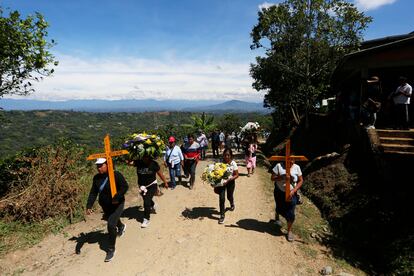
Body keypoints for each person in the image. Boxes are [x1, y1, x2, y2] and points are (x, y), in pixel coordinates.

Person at [86, 158, 129, 262]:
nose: (98, 168)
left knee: (110, 224)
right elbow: (93, 192)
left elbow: (124, 187)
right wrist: (89, 206)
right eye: (97, 166)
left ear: (108, 165)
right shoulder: (96, 178)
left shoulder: (116, 175)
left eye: (101, 165)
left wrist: (117, 197)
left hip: (118, 204)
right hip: (105, 205)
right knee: (112, 220)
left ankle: (111, 249)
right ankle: (121, 226)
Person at [130, 155, 168, 228]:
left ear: (150, 157)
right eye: (143, 156)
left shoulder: (154, 164)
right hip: (142, 186)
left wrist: (165, 182)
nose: (144, 158)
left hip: (151, 185)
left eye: (146, 157)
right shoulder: (138, 162)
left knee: (146, 202)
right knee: (146, 199)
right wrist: (129, 155)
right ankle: (153, 204)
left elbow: (160, 174)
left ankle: (146, 219)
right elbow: (129, 162)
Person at [271, 160, 304, 242]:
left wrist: (294, 190)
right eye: (289, 159)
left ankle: (289, 231)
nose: (291, 162)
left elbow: (301, 180)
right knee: (279, 207)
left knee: (291, 212)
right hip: (279, 192)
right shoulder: (279, 166)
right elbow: (272, 178)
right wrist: (281, 177)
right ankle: (277, 216)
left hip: (292, 194)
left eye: (293, 160)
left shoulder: (297, 167)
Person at [214, 148, 239, 224]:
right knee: (222, 198)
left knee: (229, 196)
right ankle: (222, 215)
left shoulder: (233, 163)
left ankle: (232, 203)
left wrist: (229, 180)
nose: (226, 157)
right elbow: (216, 173)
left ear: (231, 156)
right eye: (225, 155)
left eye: (228, 155)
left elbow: (237, 175)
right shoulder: (220, 163)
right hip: (221, 183)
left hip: (230, 183)